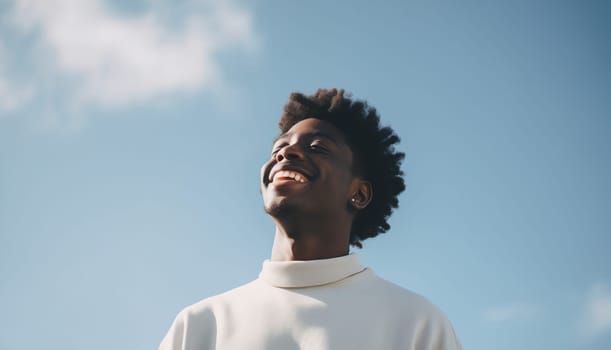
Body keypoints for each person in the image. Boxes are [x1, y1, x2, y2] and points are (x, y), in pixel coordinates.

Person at [160, 89, 462, 350]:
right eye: (278, 147)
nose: (286, 152)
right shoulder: (200, 325)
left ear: (359, 193)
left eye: (317, 147)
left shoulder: (415, 323)